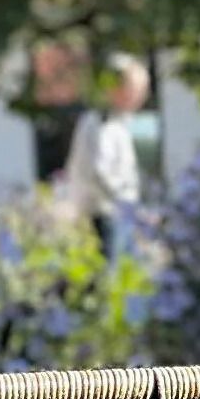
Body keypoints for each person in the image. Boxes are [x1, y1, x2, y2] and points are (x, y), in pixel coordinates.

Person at [71, 54, 149, 257]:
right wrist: (126, 205)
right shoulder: (99, 122)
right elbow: (99, 172)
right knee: (108, 280)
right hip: (104, 217)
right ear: (117, 89)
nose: (141, 96)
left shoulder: (118, 123)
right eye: (136, 89)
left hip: (120, 216)